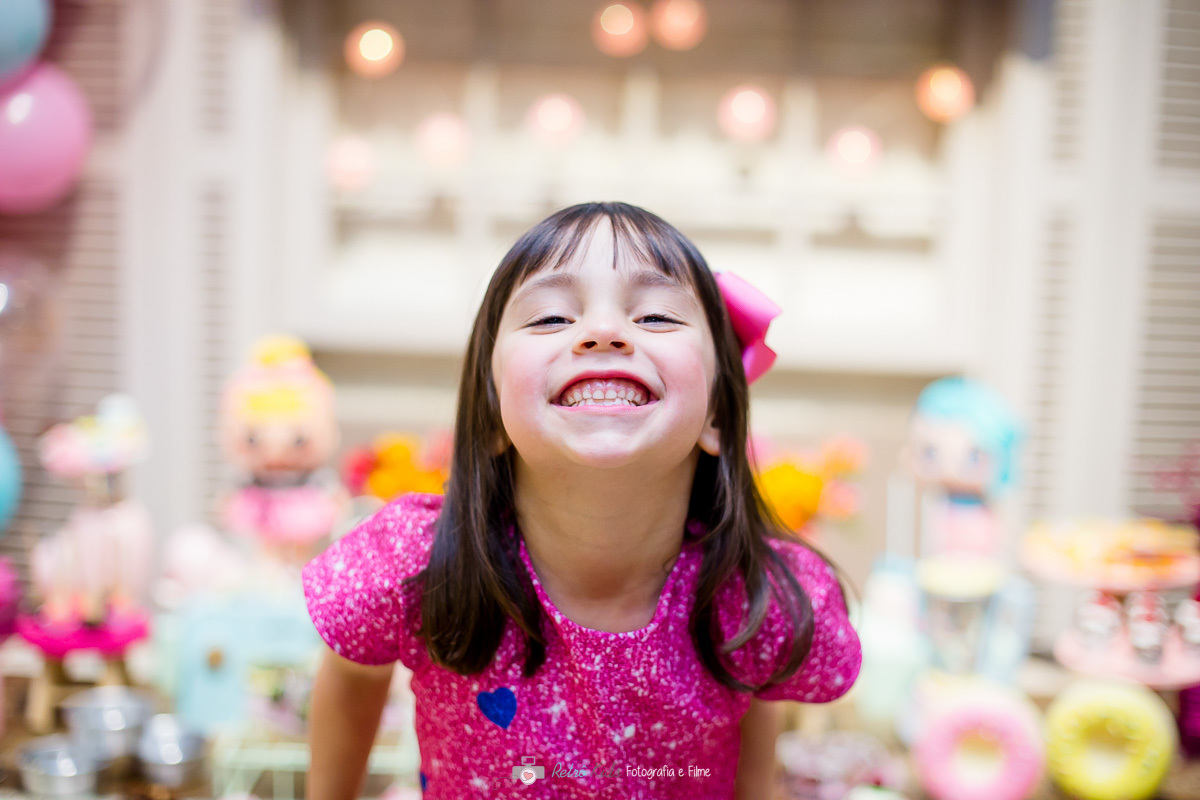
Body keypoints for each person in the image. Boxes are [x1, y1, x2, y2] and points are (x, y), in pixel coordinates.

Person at [303, 202, 861, 799]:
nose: (602, 331)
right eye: (548, 318)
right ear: (492, 414)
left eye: (654, 316)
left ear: (719, 410)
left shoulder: (752, 599)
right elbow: (352, 675)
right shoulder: (415, 566)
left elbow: (753, 706)